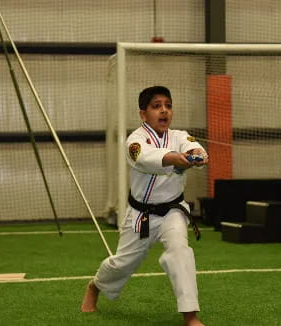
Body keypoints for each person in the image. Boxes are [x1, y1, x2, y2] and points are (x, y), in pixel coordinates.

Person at [81, 86, 208, 326]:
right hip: (142, 214)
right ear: (143, 114)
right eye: (156, 106)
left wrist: (197, 155)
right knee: (123, 262)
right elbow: (145, 158)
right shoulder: (135, 141)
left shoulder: (179, 136)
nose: (164, 111)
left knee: (180, 251)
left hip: (173, 211)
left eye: (168, 105)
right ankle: (95, 285)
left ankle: (190, 316)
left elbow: (193, 146)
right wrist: (174, 158)